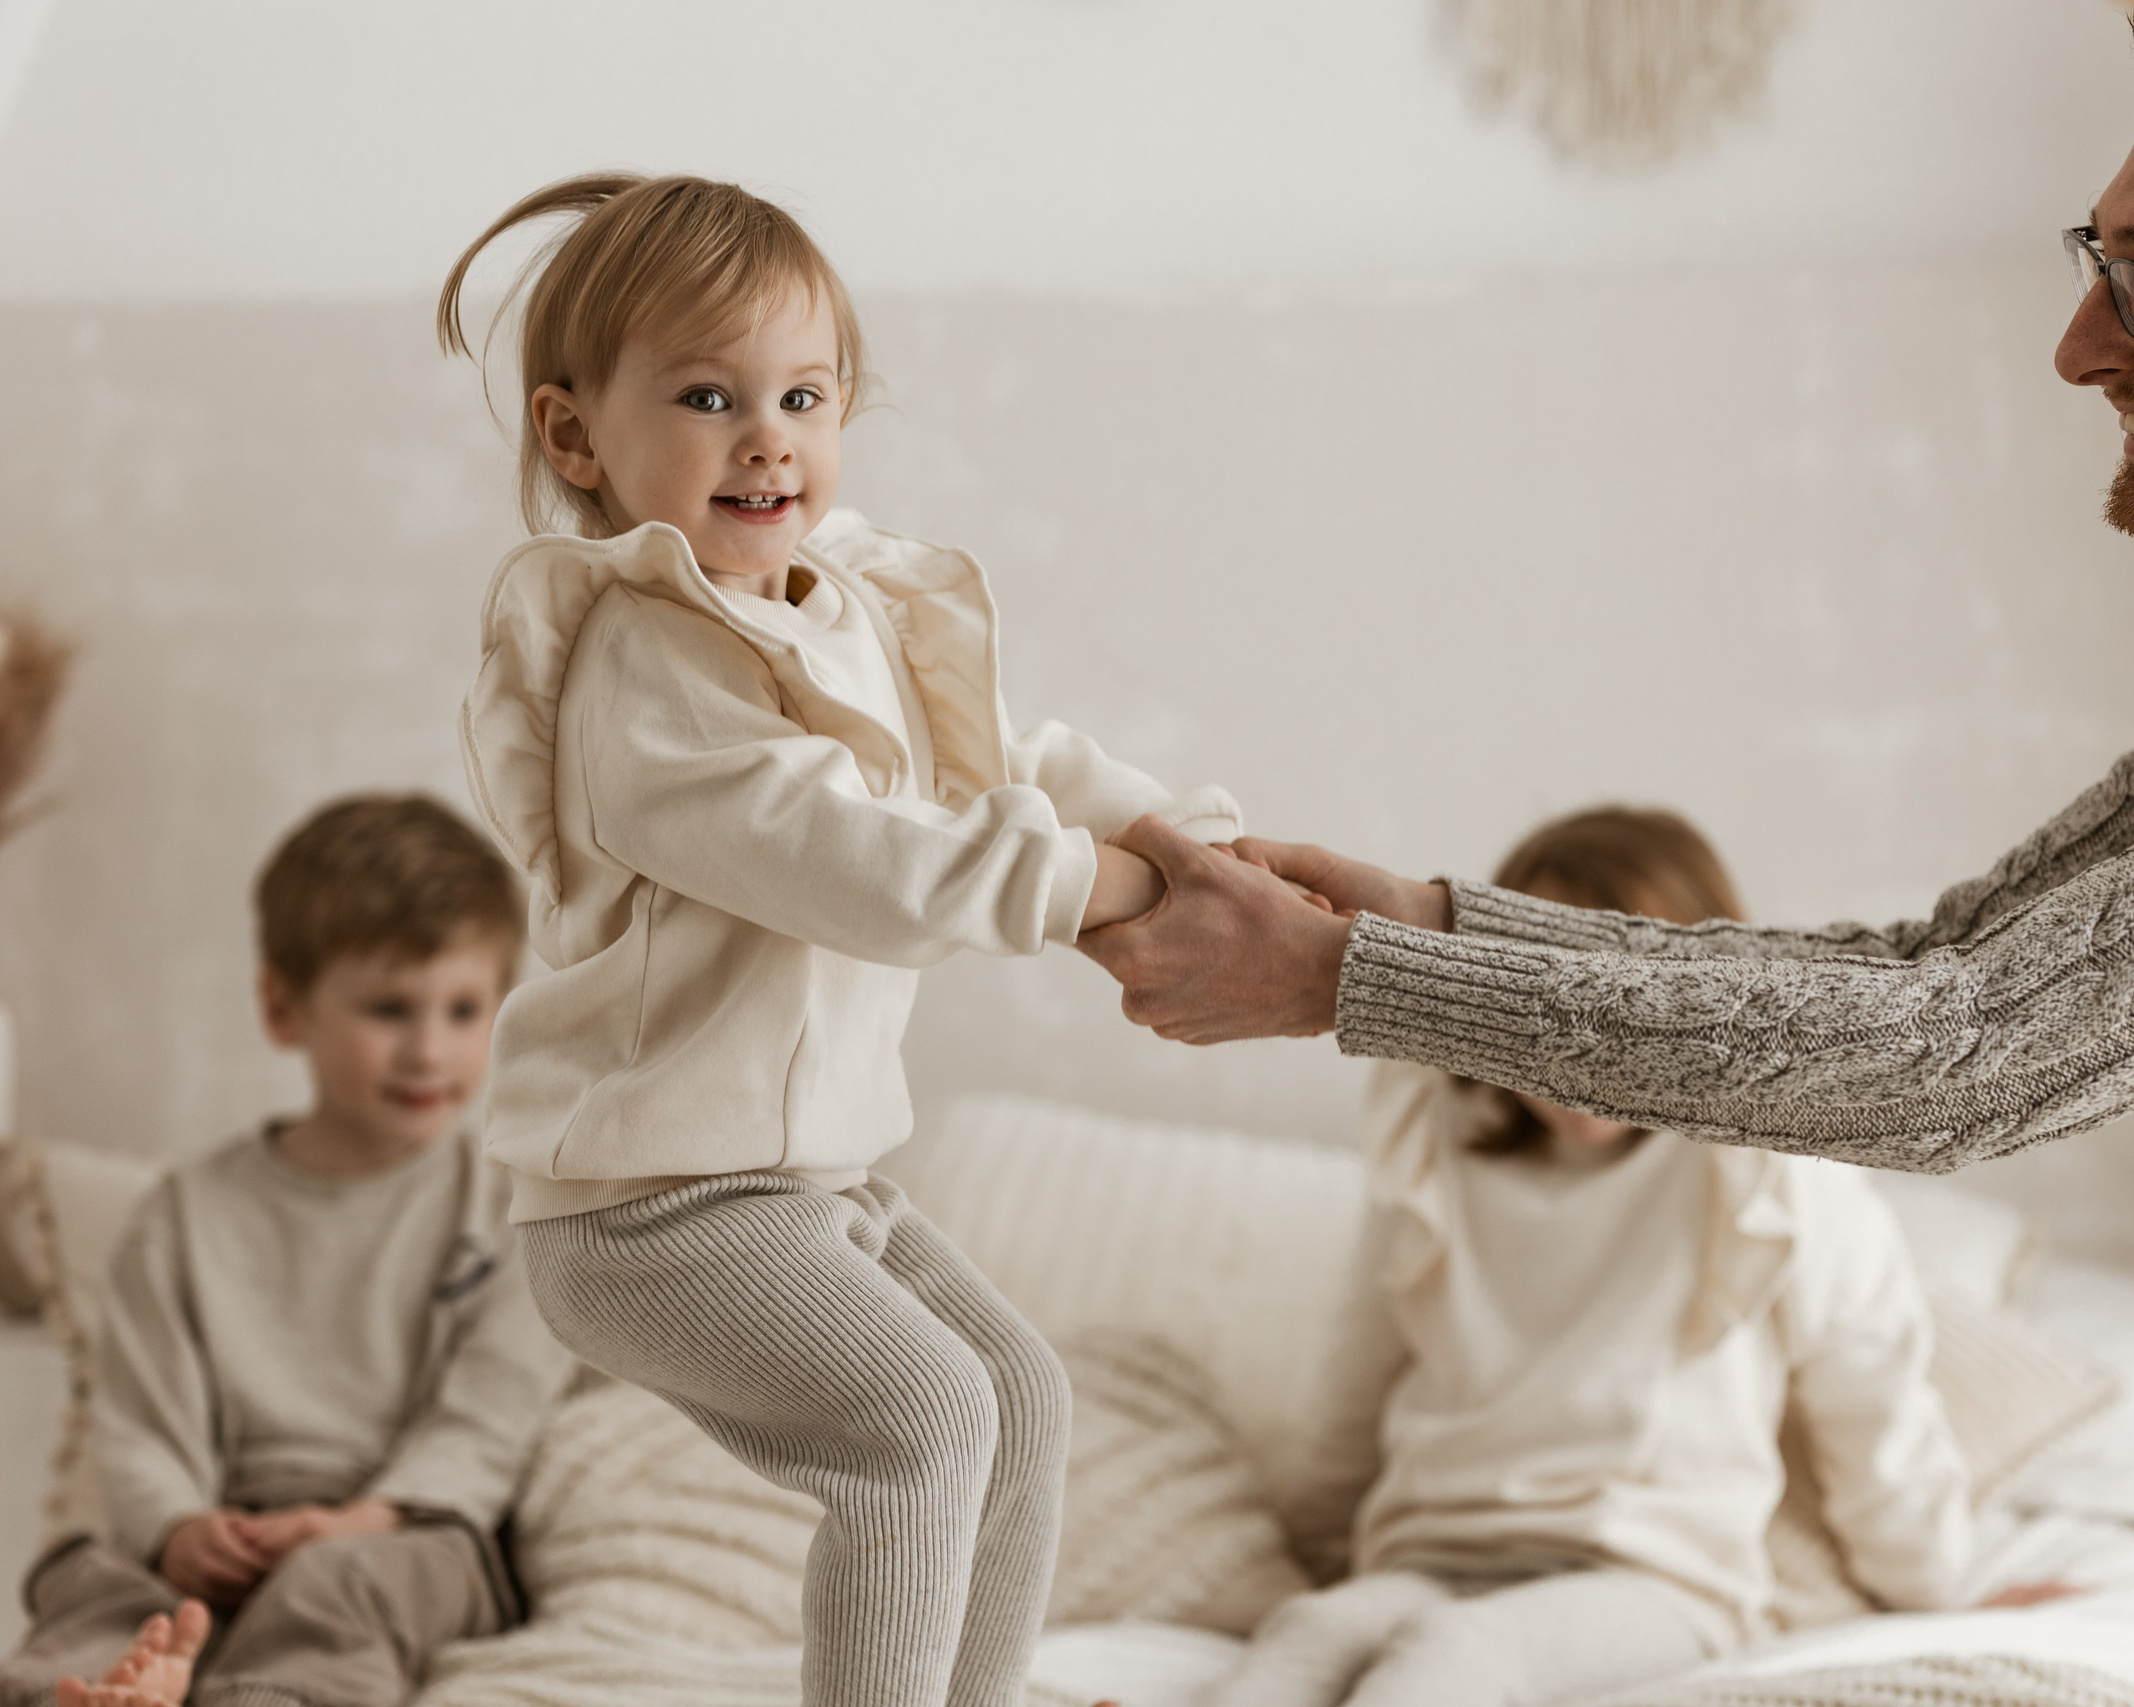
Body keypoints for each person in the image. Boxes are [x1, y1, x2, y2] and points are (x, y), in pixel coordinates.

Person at [1080, 2, 2134, 1700]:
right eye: (2099, 259)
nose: (2081, 342)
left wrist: (1359, 983)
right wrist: (1433, 923)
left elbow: (1968, 1056)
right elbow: (1942, 970)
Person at [436, 174, 1242, 1707]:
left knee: (1019, 1389)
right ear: (575, 438)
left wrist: (1191, 843)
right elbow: (863, 860)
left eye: (804, 395)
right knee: (923, 1415)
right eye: (708, 395)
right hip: (647, 1206)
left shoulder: (841, 605)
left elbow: (1008, 755)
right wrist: (1106, 892)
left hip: (806, 1184)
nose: (769, 437)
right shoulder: (645, 674)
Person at [1213, 808, 1971, 1707]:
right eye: (1548, 1011)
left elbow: (1870, 1393)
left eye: (1619, 1010)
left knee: (1456, 1659)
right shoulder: (1434, 1134)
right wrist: (1320, 1554)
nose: (1579, 1051)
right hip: (1435, 1549)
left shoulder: (1767, 1164)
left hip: (1649, 1577)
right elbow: (1359, 1369)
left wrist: (1940, 1590)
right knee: (1311, 1633)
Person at [1, 794, 576, 1707]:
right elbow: (141, 1416)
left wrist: (365, 1517)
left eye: (464, 1009)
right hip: (219, 1523)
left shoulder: (514, 1210)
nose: (430, 1049)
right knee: (89, 1576)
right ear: (284, 1007)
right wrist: (180, 1527)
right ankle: (88, 1692)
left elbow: (489, 1417)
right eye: (390, 1007)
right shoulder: (186, 1212)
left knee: (336, 1585)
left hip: (403, 1529)